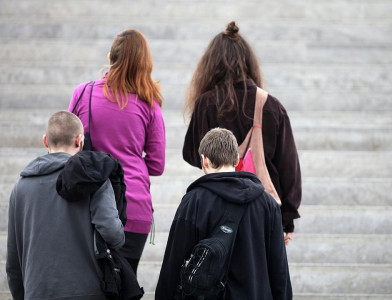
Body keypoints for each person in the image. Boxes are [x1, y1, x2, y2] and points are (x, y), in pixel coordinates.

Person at [182, 21, 301, 245]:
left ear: (211, 65)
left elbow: (190, 153)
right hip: (263, 209)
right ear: (248, 64)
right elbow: (289, 166)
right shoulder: (271, 105)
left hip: (216, 206)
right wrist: (288, 218)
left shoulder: (206, 103)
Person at [69, 29, 166, 273]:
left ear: (111, 56)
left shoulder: (83, 93)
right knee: (125, 285)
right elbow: (157, 164)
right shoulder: (149, 103)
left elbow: (69, 146)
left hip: (87, 204)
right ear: (145, 64)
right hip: (133, 208)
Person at [156, 128, 292, 300]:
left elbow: (174, 261)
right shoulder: (268, 204)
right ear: (237, 160)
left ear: (204, 161)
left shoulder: (194, 201)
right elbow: (279, 268)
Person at [6, 111, 125, 300]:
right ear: (80, 141)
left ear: (45, 141)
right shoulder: (94, 180)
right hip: (88, 291)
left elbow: (13, 262)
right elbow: (112, 233)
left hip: (37, 292)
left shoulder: (20, 188)